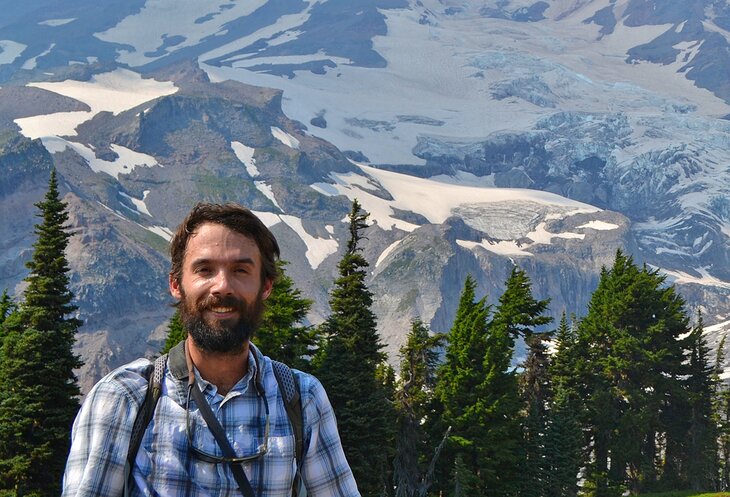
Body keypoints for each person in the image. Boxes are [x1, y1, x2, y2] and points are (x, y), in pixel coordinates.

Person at [62, 203, 360, 497]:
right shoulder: (124, 398)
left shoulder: (302, 399)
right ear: (177, 284)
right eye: (205, 269)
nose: (222, 287)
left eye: (241, 270)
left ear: (266, 286)